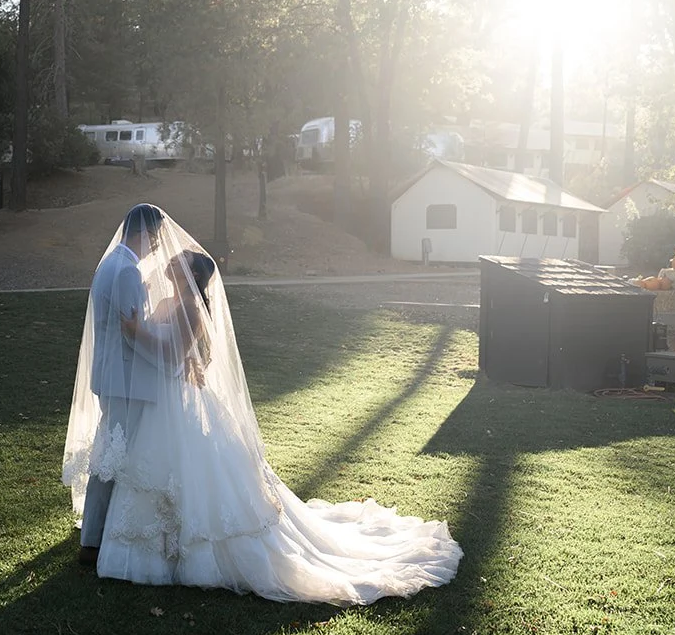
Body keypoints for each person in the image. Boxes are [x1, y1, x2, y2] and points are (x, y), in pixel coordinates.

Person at [63, 210, 462, 605]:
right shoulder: (140, 279)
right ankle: (108, 540)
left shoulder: (164, 295)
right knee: (128, 463)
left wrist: (161, 348)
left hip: (154, 393)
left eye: (180, 258)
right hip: (147, 391)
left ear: (192, 276)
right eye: (164, 245)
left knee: (137, 463)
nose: (167, 253)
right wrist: (161, 349)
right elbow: (156, 342)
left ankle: (117, 542)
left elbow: (168, 347)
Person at [72, 203, 166, 565]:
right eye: (153, 241)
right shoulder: (127, 271)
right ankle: (93, 539)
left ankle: (99, 532)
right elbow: (132, 332)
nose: (153, 248)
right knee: (112, 458)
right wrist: (167, 348)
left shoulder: (108, 263)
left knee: (110, 453)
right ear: (141, 233)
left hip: (112, 373)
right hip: (125, 377)